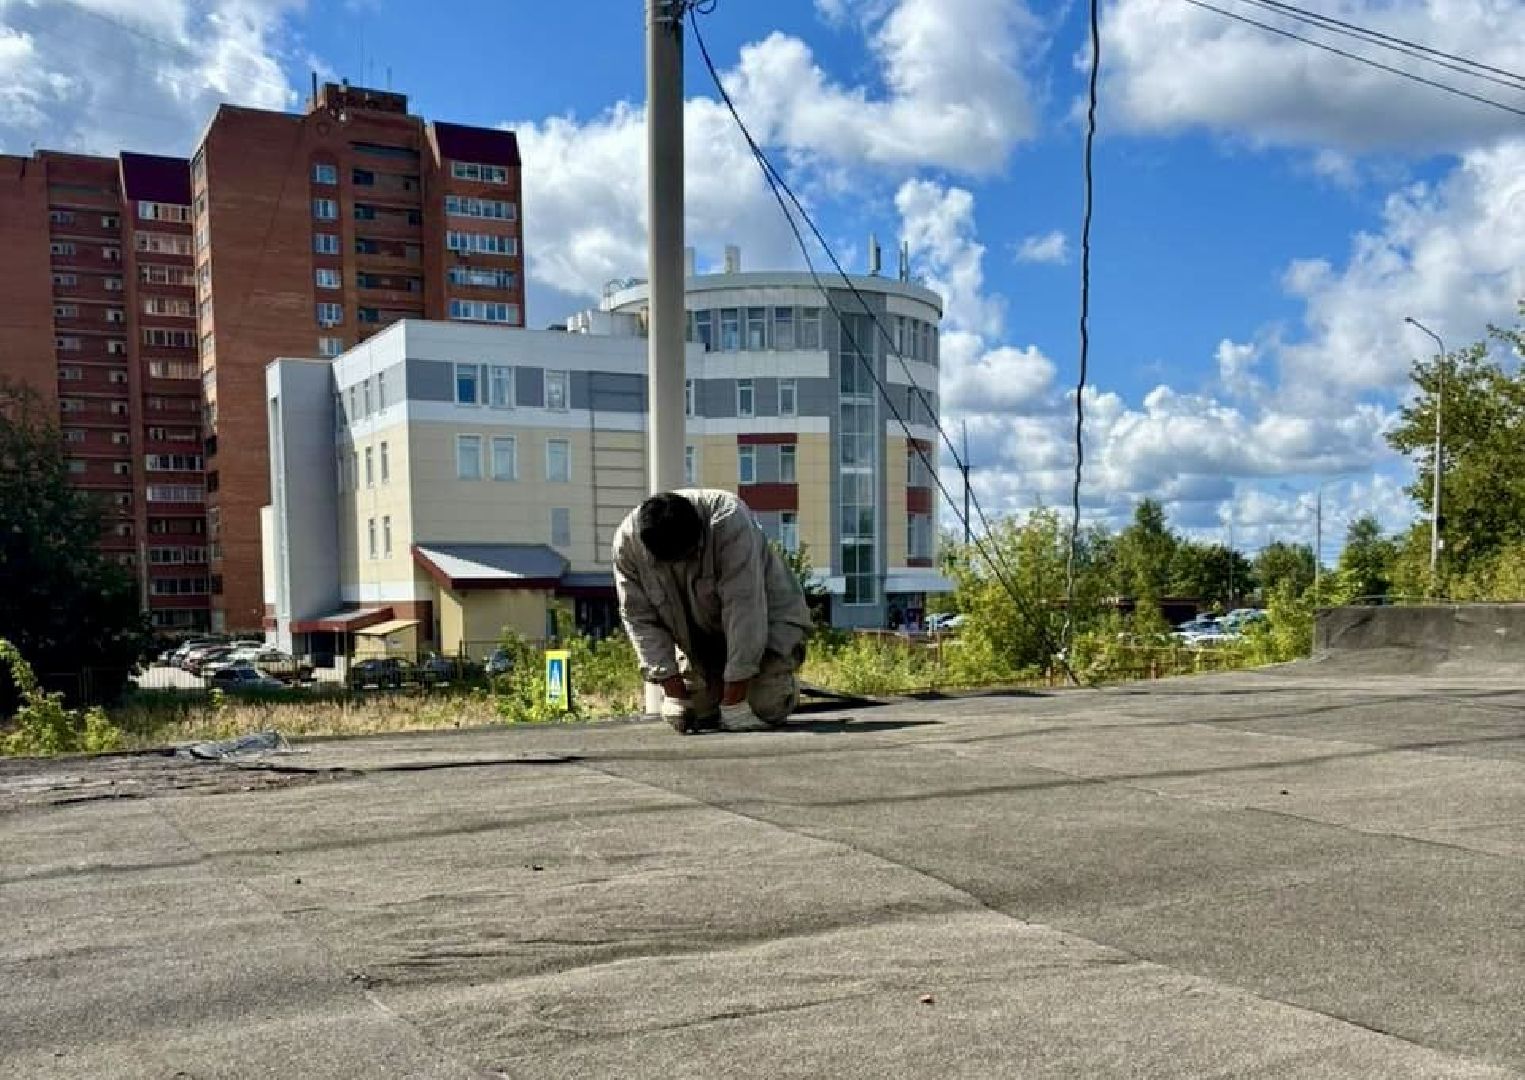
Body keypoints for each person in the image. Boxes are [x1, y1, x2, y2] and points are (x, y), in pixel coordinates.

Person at [613, 489, 812, 733]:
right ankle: (721, 687)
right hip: (700, 642)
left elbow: (744, 609)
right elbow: (639, 618)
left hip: (766, 629)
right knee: (697, 713)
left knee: (765, 704)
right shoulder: (627, 545)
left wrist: (734, 703)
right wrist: (674, 692)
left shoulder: (730, 522)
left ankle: (779, 679)